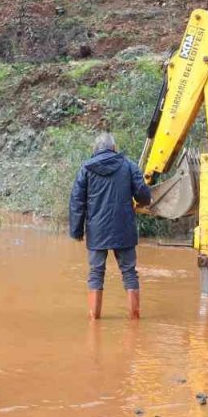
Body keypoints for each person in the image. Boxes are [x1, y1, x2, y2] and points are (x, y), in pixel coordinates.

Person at [69, 132, 152, 320]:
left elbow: (77, 201)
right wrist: (145, 200)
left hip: (97, 230)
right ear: (114, 148)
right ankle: (134, 319)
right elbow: (143, 195)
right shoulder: (129, 166)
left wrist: (76, 231)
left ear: (95, 149)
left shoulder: (86, 169)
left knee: (96, 273)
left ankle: (94, 319)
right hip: (124, 229)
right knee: (129, 272)